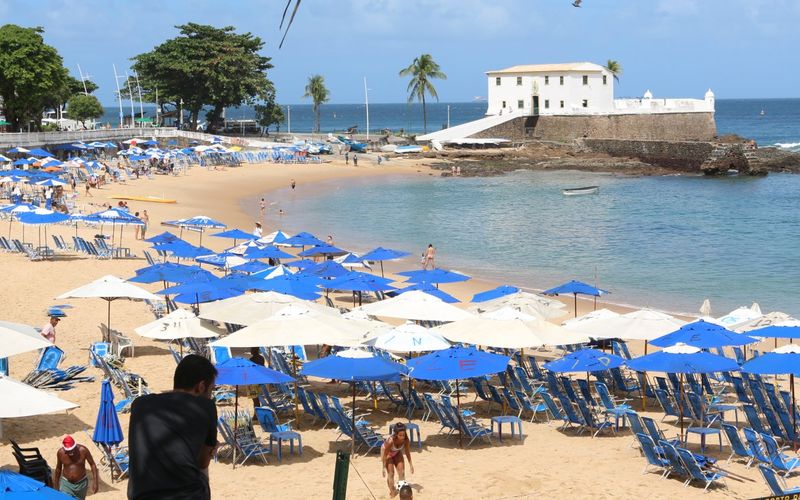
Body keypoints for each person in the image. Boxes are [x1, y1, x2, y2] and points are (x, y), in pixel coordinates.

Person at [128, 355, 218, 500]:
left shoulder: (139, 405)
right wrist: (212, 450)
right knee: (202, 475)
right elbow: (202, 462)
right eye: (211, 390)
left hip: (141, 496)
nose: (211, 396)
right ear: (201, 387)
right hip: (187, 496)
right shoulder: (206, 407)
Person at [54, 435, 99, 499]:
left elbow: (92, 465)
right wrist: (56, 485)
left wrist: (95, 482)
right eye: (68, 450)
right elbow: (58, 469)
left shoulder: (83, 450)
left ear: (75, 446)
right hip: (66, 484)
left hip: (81, 484)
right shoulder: (60, 453)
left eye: (72, 449)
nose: (70, 452)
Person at [381, 422, 414, 498]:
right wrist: (383, 467)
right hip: (387, 453)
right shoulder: (390, 441)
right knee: (391, 473)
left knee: (402, 473)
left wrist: (411, 465)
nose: (402, 437)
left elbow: (407, 452)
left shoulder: (406, 440)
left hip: (396, 452)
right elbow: (385, 454)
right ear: (396, 434)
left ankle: (402, 492)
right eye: (400, 435)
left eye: (403, 434)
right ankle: (392, 491)